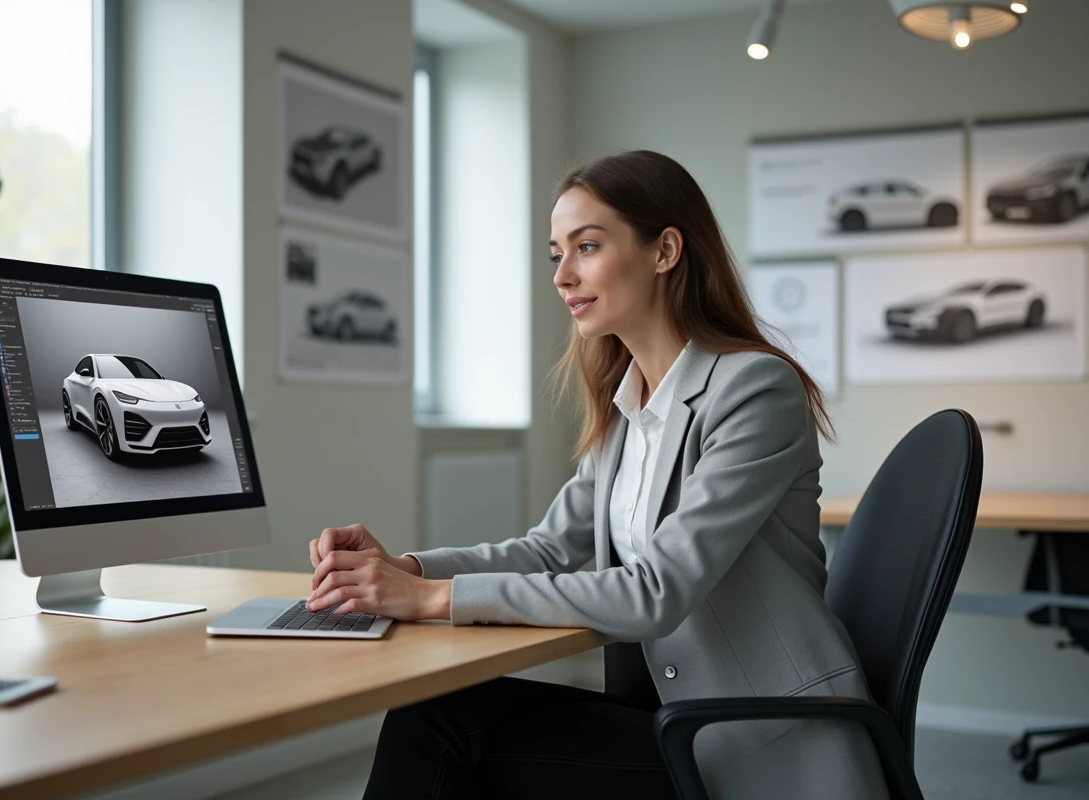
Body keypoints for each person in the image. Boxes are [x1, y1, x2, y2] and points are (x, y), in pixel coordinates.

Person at [306, 150, 891, 799]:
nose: (562, 275)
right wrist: (410, 570)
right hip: (678, 720)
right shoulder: (628, 406)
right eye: (555, 253)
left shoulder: (755, 389)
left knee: (440, 725)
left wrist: (429, 602)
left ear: (665, 250)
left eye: (586, 246)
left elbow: (656, 591)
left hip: (759, 739)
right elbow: (549, 547)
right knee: (437, 714)